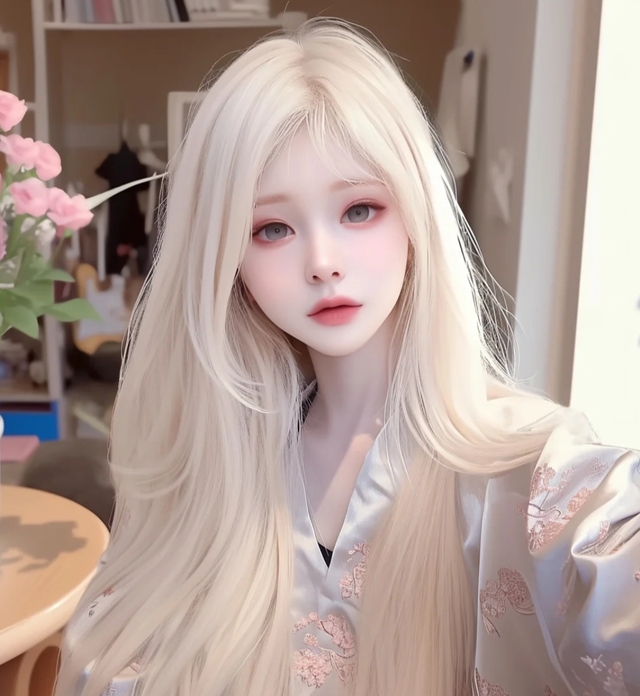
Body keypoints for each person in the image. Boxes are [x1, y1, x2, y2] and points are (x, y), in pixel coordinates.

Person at [55, 17, 640, 696]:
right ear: (227, 259)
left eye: (359, 210)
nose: (323, 262)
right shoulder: (213, 459)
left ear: (416, 215)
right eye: (272, 228)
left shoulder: (526, 467)